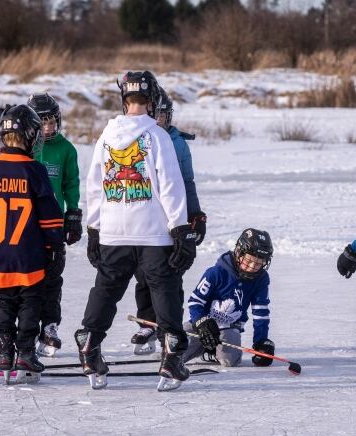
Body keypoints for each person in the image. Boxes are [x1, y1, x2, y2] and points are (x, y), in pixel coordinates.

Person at [77, 71, 196, 391]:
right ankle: (171, 359)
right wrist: (181, 229)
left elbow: (94, 186)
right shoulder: (156, 136)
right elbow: (171, 186)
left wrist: (94, 228)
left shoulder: (105, 136)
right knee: (164, 289)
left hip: (115, 230)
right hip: (152, 232)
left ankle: (90, 341)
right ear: (153, 99)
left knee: (106, 289)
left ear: (123, 99)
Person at [0, 105, 65, 382]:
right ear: (30, 135)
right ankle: (26, 350)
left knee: (4, 300)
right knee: (30, 301)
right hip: (28, 254)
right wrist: (54, 246)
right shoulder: (34, 171)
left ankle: (4, 347)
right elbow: (50, 217)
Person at [130, 86, 206, 355]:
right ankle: (147, 322)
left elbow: (187, 181)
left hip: (174, 218)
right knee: (144, 274)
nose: (160, 120)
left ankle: (169, 328)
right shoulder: (136, 137)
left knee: (170, 275)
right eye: (157, 114)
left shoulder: (177, 142)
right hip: (144, 217)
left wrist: (195, 215)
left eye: (165, 115)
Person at [26, 93, 81, 357]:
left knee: (53, 278)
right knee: (27, 282)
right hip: (27, 225)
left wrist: (73, 213)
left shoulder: (66, 149)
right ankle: (25, 329)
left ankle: (49, 326)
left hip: (54, 224)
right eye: (41, 123)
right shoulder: (26, 148)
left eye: (51, 122)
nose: (47, 128)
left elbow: (72, 184)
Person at [184, 228, 274, 367]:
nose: (251, 267)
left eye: (258, 263)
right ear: (239, 252)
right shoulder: (215, 272)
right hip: (204, 323)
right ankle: (202, 345)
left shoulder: (261, 279)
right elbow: (195, 302)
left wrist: (261, 343)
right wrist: (201, 322)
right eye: (249, 260)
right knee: (176, 349)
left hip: (229, 326)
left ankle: (213, 349)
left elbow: (260, 313)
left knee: (229, 361)